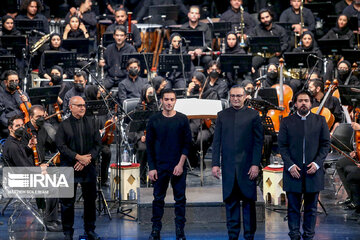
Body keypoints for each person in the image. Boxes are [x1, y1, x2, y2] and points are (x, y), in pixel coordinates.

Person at [212, 85, 264, 240]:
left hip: (248, 167)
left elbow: (258, 142)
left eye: (239, 96)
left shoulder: (253, 115)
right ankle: (232, 236)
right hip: (228, 167)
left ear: (245, 97)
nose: (235, 98)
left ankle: (249, 236)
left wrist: (255, 164)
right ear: (229, 96)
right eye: (233, 96)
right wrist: (215, 164)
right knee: (231, 204)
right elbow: (217, 142)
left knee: (249, 205)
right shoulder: (222, 115)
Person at [278, 90, 331, 240]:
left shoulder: (320, 121)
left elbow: (325, 145)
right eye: (300, 100)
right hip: (292, 171)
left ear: (311, 103)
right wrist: (289, 165)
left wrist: (317, 163)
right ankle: (294, 236)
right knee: (293, 208)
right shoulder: (286, 122)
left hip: (313, 171)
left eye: (306, 100)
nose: (303, 103)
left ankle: (309, 236)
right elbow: (282, 146)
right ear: (295, 103)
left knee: (311, 209)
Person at [146, 89, 192, 240]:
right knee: (158, 199)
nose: (169, 102)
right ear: (161, 101)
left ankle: (180, 230)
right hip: (159, 166)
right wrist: (151, 167)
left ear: (175, 101)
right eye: (166, 99)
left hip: (177, 165)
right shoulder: (153, 120)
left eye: (172, 99)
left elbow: (187, 144)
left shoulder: (182, 119)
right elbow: (149, 146)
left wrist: (180, 164)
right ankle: (155, 229)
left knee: (180, 200)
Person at [56, 96, 102, 240]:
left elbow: (98, 144)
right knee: (67, 202)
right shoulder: (64, 125)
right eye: (79, 105)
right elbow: (61, 146)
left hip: (88, 167)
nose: (82, 108)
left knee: (90, 200)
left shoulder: (92, 122)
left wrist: (87, 159)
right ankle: (68, 232)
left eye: (84, 105)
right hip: (69, 167)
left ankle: (90, 230)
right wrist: (77, 157)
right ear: (71, 107)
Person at [22, 105, 62, 232]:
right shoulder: (24, 132)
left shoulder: (43, 129)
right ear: (30, 117)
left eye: (42, 116)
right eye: (38, 117)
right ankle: (50, 221)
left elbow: (52, 146)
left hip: (41, 166)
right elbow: (21, 158)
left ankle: (52, 215)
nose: (41, 119)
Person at [187, 72, 219, 168]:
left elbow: (214, 113)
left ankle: (200, 158)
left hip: (207, 124)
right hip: (194, 123)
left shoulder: (212, 93)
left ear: (201, 82)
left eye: (195, 82)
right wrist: (188, 92)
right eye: (192, 82)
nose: (194, 84)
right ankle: (193, 159)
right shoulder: (192, 93)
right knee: (187, 136)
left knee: (201, 139)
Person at [84, 86, 112, 186]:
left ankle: (103, 179)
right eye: (97, 91)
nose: (100, 92)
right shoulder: (84, 107)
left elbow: (109, 119)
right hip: (88, 141)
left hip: (102, 140)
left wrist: (109, 125)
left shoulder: (103, 105)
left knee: (107, 152)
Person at [249, 8, 289, 78]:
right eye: (262, 18)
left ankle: (273, 85)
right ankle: (256, 84)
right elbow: (251, 42)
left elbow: (285, 43)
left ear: (271, 17)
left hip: (274, 55)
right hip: (260, 55)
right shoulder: (256, 29)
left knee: (274, 66)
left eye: (267, 17)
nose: (265, 20)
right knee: (252, 64)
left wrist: (280, 51)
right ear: (260, 20)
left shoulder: (279, 29)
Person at [99, 26, 137, 90]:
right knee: (99, 90)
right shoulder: (109, 48)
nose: (119, 38)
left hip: (125, 78)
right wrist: (100, 64)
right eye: (117, 35)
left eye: (121, 35)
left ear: (125, 37)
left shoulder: (131, 49)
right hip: (110, 78)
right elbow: (105, 67)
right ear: (114, 36)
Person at [0, 70, 30, 137]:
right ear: (5, 82)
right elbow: (1, 117)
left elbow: (29, 111)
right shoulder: (1, 96)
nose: (14, 83)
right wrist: (12, 126)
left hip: (24, 123)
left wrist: (26, 101)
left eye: (16, 81)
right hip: (10, 125)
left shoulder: (23, 94)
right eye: (11, 81)